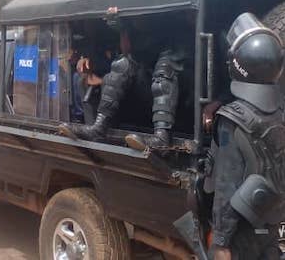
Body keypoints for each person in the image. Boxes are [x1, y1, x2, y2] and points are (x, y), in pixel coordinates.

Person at [209, 13, 285, 260]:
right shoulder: (279, 113)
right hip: (272, 224)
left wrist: (220, 242)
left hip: (241, 233)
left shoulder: (231, 120)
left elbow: (225, 186)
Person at [70, 19, 187, 148]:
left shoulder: (172, 32)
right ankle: (99, 127)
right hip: (147, 86)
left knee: (164, 70)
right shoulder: (137, 35)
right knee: (122, 64)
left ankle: (162, 138)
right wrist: (123, 28)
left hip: (180, 90)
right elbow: (127, 53)